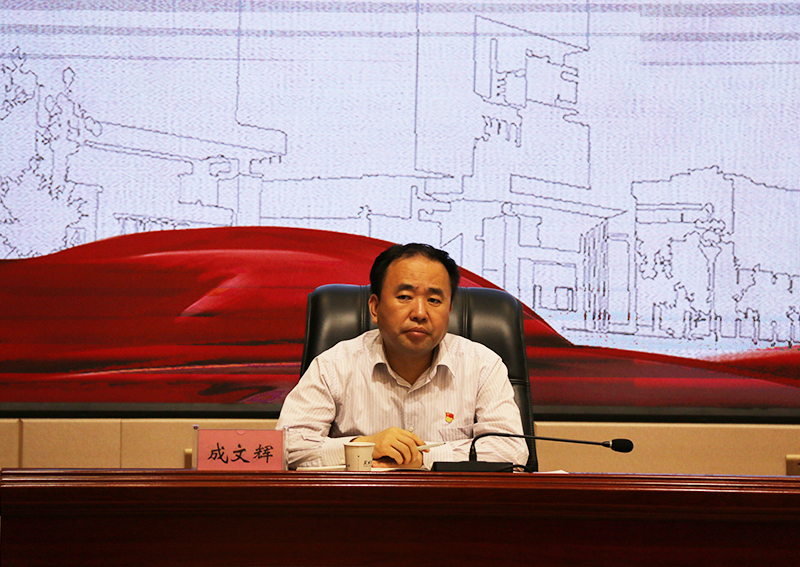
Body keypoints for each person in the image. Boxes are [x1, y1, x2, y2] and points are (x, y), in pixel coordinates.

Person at [276, 243, 528, 469]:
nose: (420, 313)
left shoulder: (483, 365)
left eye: (434, 300)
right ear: (375, 307)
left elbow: (511, 451)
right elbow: (285, 448)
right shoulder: (333, 365)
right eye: (405, 297)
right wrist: (364, 446)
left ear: (449, 310)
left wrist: (423, 457)